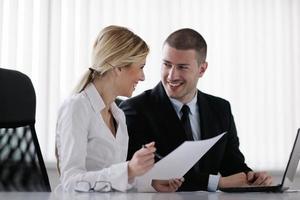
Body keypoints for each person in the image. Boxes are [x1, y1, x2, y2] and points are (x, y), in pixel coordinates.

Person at [119, 28, 273, 191]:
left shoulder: (220, 109)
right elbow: (140, 174)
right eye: (167, 65)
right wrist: (215, 183)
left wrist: (252, 177)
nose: (172, 75)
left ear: (202, 69)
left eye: (182, 67)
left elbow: (232, 165)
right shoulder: (136, 109)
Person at [55, 25, 183, 192]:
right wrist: (128, 169)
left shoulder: (118, 115)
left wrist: (151, 183)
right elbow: (70, 182)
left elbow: (112, 180)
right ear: (119, 67)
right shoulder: (77, 108)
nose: (143, 77)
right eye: (141, 67)